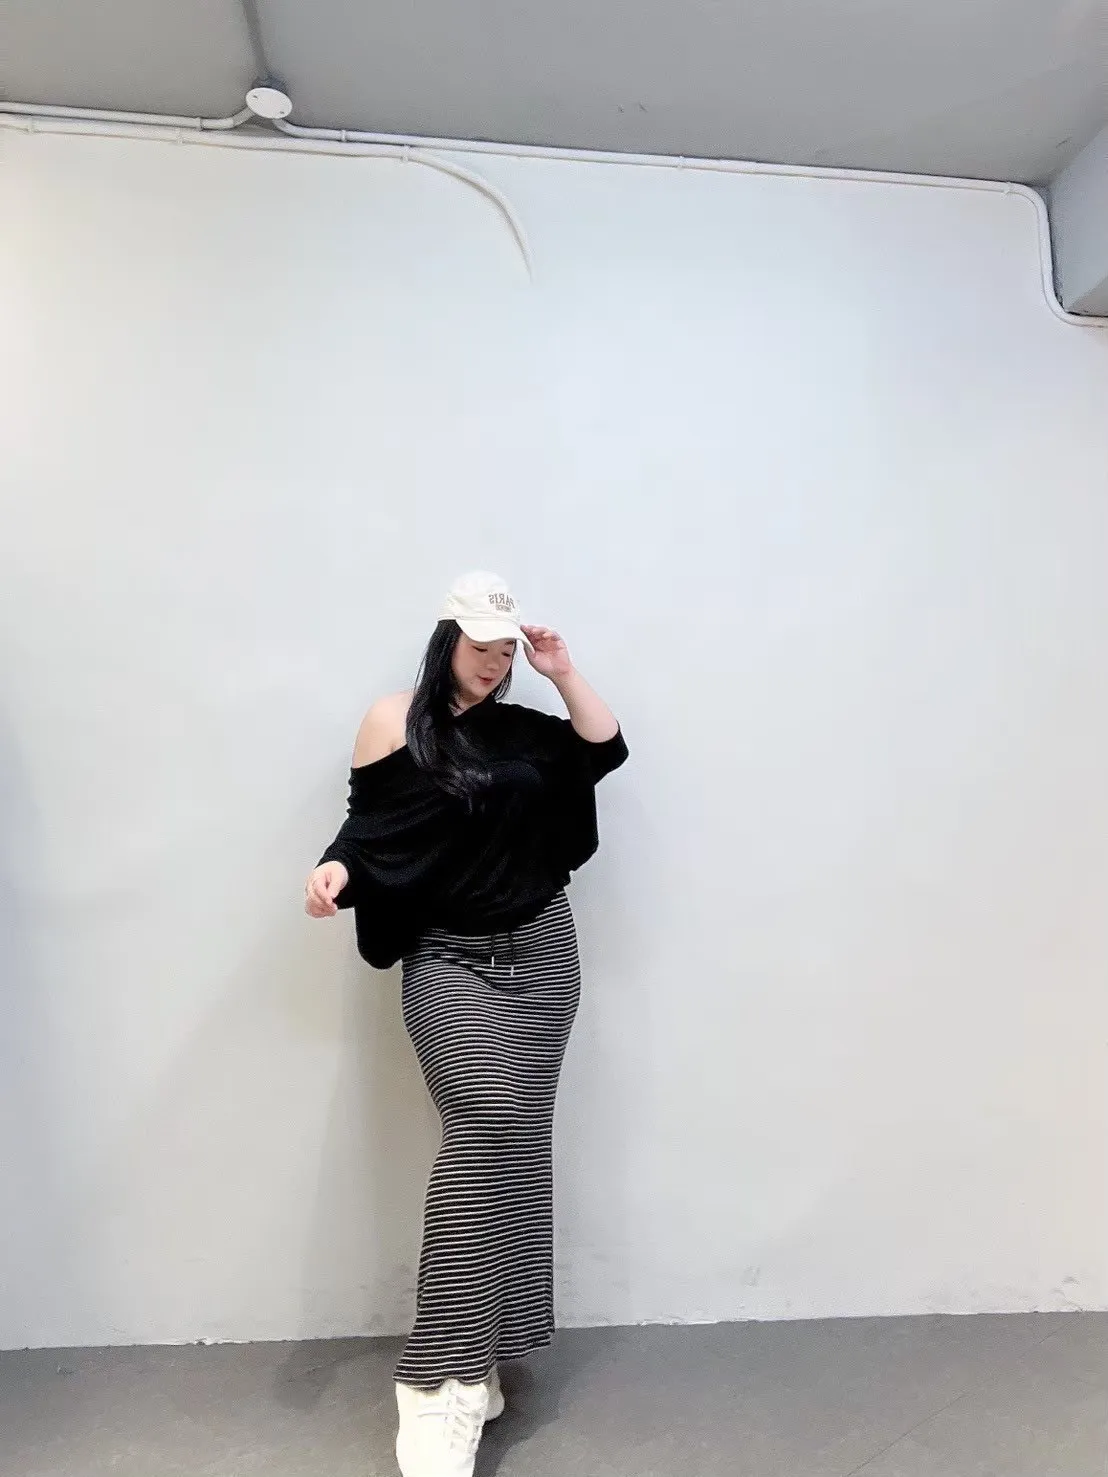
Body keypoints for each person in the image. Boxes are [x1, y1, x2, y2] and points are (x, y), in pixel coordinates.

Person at [304, 571, 627, 1477]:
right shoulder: (395, 720)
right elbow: (370, 828)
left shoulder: (525, 729)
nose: (491, 664)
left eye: (503, 651)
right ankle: (435, 1382)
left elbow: (605, 747)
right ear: (446, 639)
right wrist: (336, 873)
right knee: (486, 1124)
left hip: (543, 956)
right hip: (448, 959)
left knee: (516, 1151)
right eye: (478, 647)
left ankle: (478, 1361)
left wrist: (562, 671)